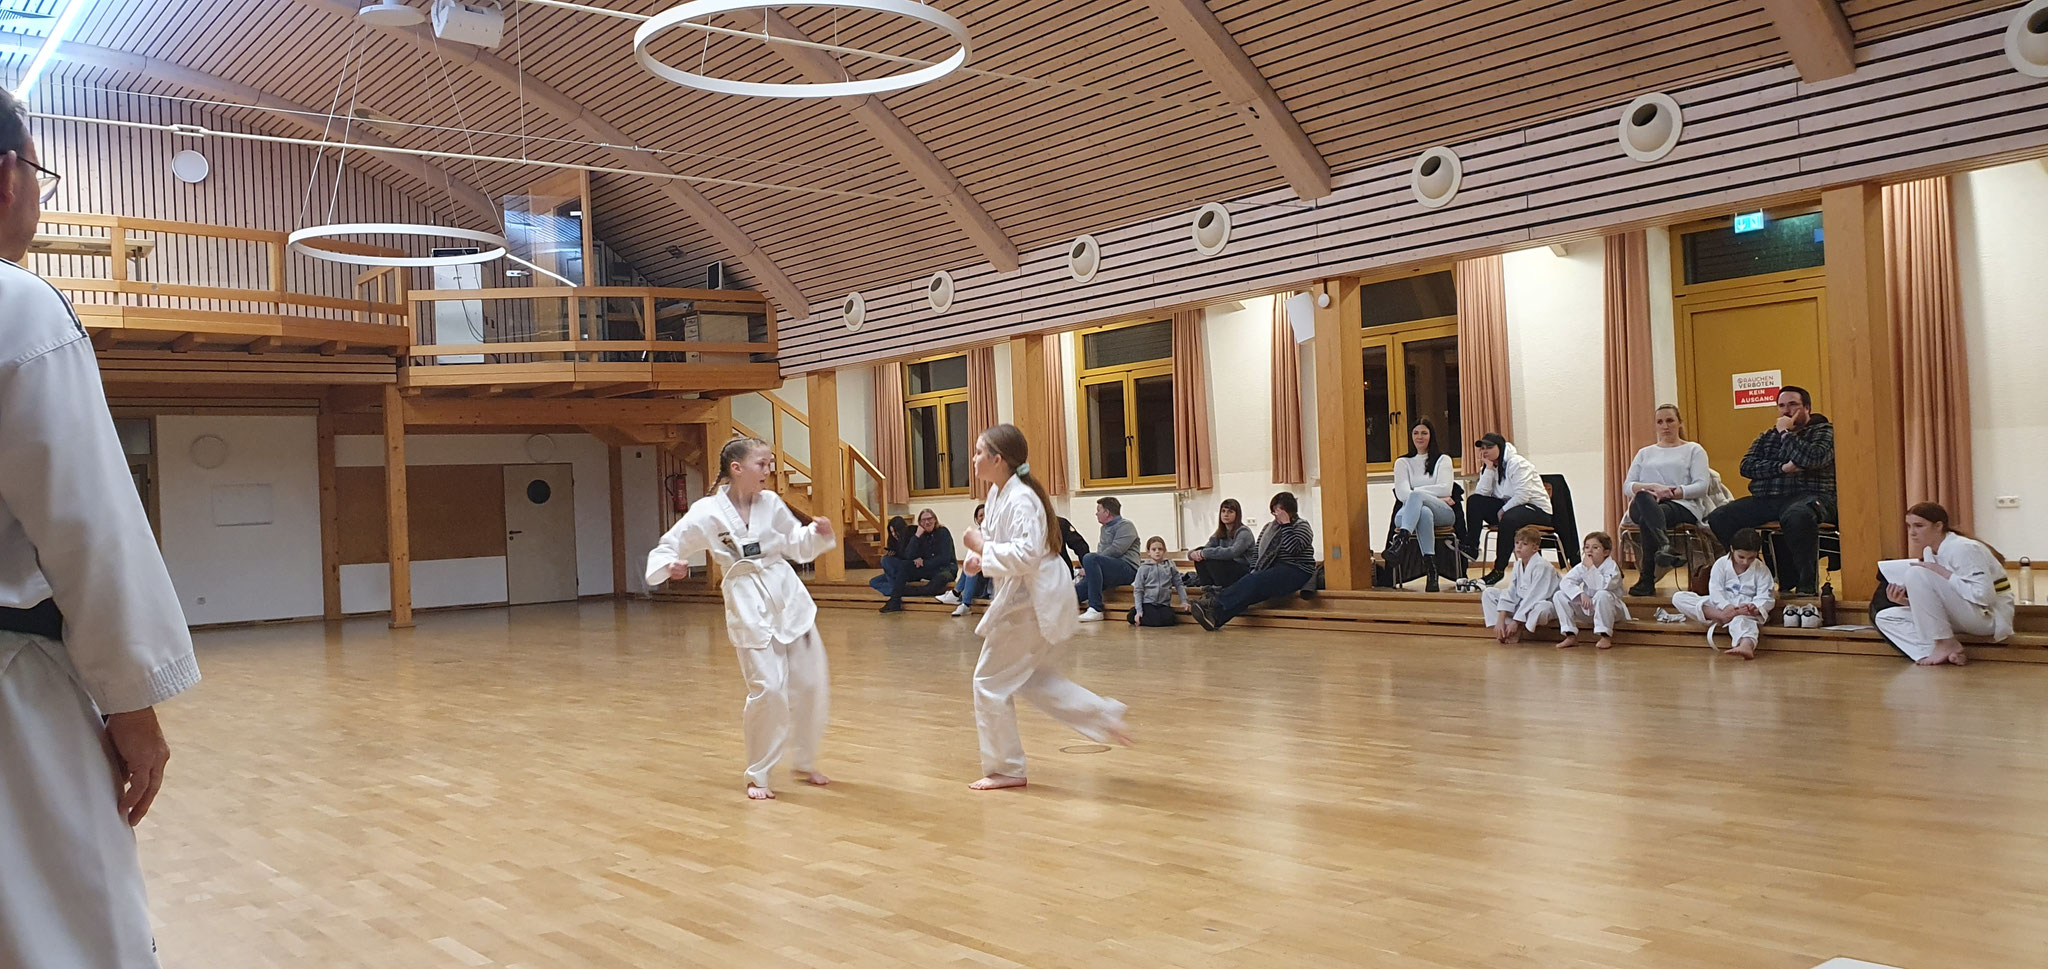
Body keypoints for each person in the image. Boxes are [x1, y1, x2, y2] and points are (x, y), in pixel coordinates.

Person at [0, 86, 204, 969]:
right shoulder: (18, 308)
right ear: (8, 178)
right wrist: (132, 703)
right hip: (13, 690)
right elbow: (85, 526)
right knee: (67, 929)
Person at [645, 436, 837, 800]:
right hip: (747, 601)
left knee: (812, 683)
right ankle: (758, 774)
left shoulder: (772, 503)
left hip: (787, 596)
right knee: (768, 689)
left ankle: (805, 760)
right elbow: (669, 545)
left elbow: (795, 543)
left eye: (770, 464)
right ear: (737, 468)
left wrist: (816, 534)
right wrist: (670, 566)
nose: (769, 470)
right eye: (761, 464)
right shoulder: (707, 512)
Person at [960, 424, 1132, 790]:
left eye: (978, 452)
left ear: (997, 459)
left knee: (989, 682)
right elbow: (1002, 544)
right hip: (1026, 598)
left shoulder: (1022, 498)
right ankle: (1103, 715)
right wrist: (980, 559)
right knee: (1029, 678)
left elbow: (1026, 554)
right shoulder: (998, 493)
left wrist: (982, 549)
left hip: (1033, 602)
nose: (973, 459)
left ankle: (1007, 768)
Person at [1707, 386, 1836, 596]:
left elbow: (1812, 458)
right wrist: (1783, 468)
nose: (1786, 411)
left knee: (1797, 515)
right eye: (1782, 405)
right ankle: (1758, 573)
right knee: (1720, 516)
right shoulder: (1768, 436)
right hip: (1769, 498)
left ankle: (1806, 585)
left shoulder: (1824, 432)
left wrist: (1785, 433)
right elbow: (1747, 466)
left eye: (1793, 405)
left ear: (1807, 408)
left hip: (1810, 496)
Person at [1876, 502, 2015, 667]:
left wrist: (1944, 573)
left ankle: (1946, 644)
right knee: (1886, 617)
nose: (1912, 532)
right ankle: (1943, 652)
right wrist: (1905, 602)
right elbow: (1939, 603)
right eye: (1909, 526)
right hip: (1963, 616)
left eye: (1919, 526)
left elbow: (1985, 597)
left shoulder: (1963, 548)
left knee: (1916, 573)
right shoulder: (1929, 551)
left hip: (1989, 617)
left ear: (1938, 526)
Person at [1188, 492, 1316, 631]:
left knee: (1255, 581)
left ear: (1288, 511)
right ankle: (1216, 618)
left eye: (1279, 512)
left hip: (1297, 569)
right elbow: (1258, 553)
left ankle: (1214, 602)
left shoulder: (1302, 526)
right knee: (1251, 588)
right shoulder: (1269, 528)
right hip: (1273, 569)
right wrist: (1254, 570)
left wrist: (1286, 525)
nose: (1276, 516)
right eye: (1274, 512)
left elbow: (1293, 549)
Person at [1622, 404, 1714, 596]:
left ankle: (1647, 580)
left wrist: (1671, 493)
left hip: (1680, 504)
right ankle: (1664, 546)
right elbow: (1628, 486)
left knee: (1647, 519)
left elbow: (1701, 486)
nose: (1665, 426)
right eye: (1660, 422)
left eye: (1670, 420)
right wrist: (1654, 488)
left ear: (1680, 423)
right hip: (1645, 502)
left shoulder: (1693, 450)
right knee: (1644, 498)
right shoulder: (1645, 453)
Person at [1670, 527, 1775, 660]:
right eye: (1741, 557)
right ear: (1732, 549)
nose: (1745, 562)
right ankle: (1721, 617)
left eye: (1751, 558)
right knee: (1678, 597)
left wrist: (1755, 607)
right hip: (1719, 607)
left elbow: (1765, 596)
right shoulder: (1721, 564)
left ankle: (1746, 646)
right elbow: (1715, 590)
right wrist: (1726, 607)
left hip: (1744, 610)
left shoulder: (1762, 570)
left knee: (1742, 622)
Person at [1466, 432, 1555, 585]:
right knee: (1474, 501)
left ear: (1500, 448)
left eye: (1489, 447)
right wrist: (1488, 469)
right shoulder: (1490, 467)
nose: (1485, 451)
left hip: (1536, 510)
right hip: (1510, 508)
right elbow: (1482, 494)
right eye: (1482, 448)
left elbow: (1523, 495)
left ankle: (1499, 569)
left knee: (1508, 518)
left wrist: (1503, 510)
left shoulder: (1518, 463)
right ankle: (1472, 547)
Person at [1391, 417, 1457, 592]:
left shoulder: (1443, 460)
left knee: (1417, 497)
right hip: (1411, 512)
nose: (1419, 437)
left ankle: (1401, 541)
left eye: (1424, 433)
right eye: (1416, 433)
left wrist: (1418, 493)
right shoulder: (1402, 462)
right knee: (1424, 512)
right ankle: (1432, 572)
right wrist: (1434, 496)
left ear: (1431, 435)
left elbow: (1445, 488)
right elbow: (1402, 494)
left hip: (1442, 513)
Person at [1480, 526, 1561, 644]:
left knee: (1542, 608)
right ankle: (1505, 630)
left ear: (1535, 548)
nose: (1519, 546)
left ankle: (1518, 629)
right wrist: (1501, 619)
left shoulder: (1543, 566)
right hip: (1523, 604)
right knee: (1489, 593)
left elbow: (1535, 596)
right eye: (1517, 543)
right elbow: (1511, 592)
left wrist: (1516, 621)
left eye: (1524, 544)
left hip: (1542, 604)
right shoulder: (1518, 565)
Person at [1553, 532, 1628, 650]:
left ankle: (1605, 636)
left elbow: (1602, 586)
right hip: (1589, 607)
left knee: (1602, 595)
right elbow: (1565, 582)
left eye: (1595, 548)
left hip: (1611, 610)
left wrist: (1591, 568)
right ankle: (1570, 635)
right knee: (1559, 595)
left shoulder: (1612, 568)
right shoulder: (1582, 566)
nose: (1590, 551)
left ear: (1606, 552)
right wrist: (1580, 594)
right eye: (1587, 547)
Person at [872, 507, 955, 613]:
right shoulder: (921, 535)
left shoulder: (943, 532)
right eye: (923, 520)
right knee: (904, 565)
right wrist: (916, 536)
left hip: (945, 569)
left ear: (935, 519)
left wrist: (924, 562)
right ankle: (895, 602)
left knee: (938, 581)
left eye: (929, 519)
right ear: (920, 523)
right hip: (929, 569)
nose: (927, 522)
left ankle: (901, 591)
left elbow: (944, 558)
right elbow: (908, 555)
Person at [1073, 496, 1140, 622]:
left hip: (1128, 569)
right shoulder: (1104, 528)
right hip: (1109, 569)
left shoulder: (1126, 526)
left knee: (1090, 558)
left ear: (1107, 512)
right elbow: (1101, 553)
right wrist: (1091, 568)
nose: (1096, 513)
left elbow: (1116, 550)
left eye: (1098, 510)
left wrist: (1091, 564)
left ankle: (1095, 608)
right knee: (1073, 594)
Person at [1186, 498, 1254, 590]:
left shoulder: (1244, 532)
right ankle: (1208, 589)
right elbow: (1206, 548)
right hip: (1227, 569)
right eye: (1223, 511)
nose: (1226, 514)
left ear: (1237, 515)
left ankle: (1220, 591)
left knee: (1212, 558)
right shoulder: (1221, 532)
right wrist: (1192, 554)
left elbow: (1232, 552)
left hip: (1243, 570)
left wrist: (1204, 553)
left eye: (1230, 512)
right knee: (1202, 554)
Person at [935, 504, 988, 617]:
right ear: (976, 519)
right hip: (982, 568)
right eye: (980, 516)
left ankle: (960, 598)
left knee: (972, 566)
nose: (983, 517)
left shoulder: (996, 531)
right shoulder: (977, 533)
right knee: (970, 564)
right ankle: (960, 599)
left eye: (986, 514)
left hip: (993, 568)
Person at [1128, 537, 1190, 627]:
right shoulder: (1143, 568)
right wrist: (1139, 610)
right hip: (1148, 602)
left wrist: (1184, 600)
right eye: (1154, 549)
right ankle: (1134, 614)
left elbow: (1178, 584)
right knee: (1155, 621)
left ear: (1164, 551)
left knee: (1169, 620)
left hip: (1163, 603)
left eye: (1160, 549)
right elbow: (1138, 590)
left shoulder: (1170, 566)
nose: (1157, 552)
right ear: (1149, 552)